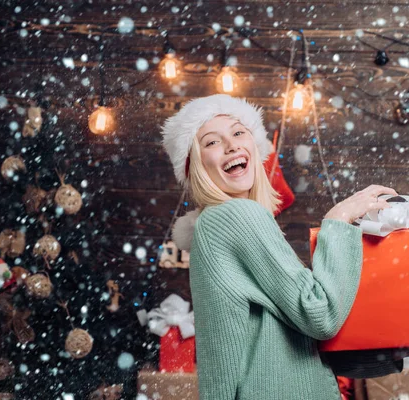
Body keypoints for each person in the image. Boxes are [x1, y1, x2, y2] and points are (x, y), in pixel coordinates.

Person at [161, 94, 396, 400]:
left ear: (254, 148)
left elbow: (263, 341)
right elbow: (319, 314)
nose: (231, 145)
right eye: (211, 142)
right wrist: (337, 220)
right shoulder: (237, 215)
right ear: (195, 166)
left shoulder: (213, 224)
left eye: (237, 132)